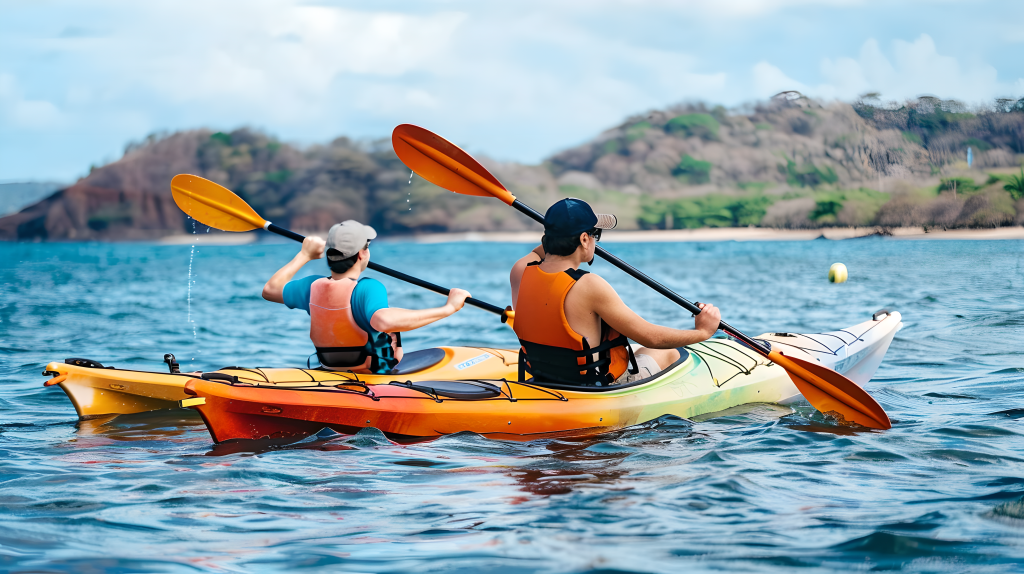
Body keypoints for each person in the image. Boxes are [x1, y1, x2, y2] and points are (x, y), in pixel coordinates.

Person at [509, 198, 721, 386]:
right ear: (584, 239)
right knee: (664, 352)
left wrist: (558, 234)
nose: (595, 241)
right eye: (595, 235)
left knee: (637, 352)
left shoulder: (521, 271)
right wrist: (702, 332)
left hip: (543, 379)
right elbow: (650, 337)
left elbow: (541, 251)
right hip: (591, 389)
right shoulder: (588, 284)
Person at [262, 220, 471, 374]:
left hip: (330, 370)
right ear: (362, 254)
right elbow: (383, 320)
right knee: (389, 325)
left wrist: (304, 255)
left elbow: (270, 290)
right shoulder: (368, 288)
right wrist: (448, 308)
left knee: (391, 314)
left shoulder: (311, 286)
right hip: (372, 376)